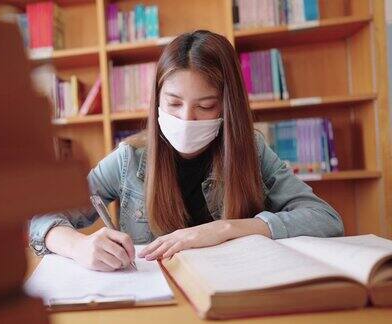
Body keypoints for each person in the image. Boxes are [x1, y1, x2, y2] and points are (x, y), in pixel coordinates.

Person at [28, 30, 344, 272]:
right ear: (157, 101)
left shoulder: (252, 151)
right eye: (174, 103)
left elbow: (326, 219)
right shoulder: (129, 159)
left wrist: (227, 229)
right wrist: (80, 246)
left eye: (206, 106)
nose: (186, 120)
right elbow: (39, 214)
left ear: (226, 107)